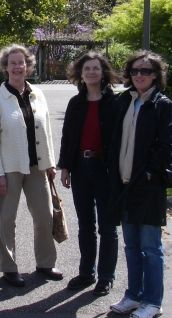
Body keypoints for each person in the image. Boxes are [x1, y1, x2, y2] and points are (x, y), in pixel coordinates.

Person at [0, 44, 62, 288]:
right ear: (5, 68)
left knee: (44, 216)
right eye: (13, 63)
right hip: (10, 169)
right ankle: (9, 267)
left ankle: (45, 263)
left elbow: (47, 131)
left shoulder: (37, 94)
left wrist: (50, 163)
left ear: (28, 66)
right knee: (7, 219)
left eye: (22, 62)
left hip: (37, 167)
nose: (18, 67)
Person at [107, 51, 172, 318]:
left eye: (146, 71)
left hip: (147, 186)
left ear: (156, 75)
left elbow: (168, 144)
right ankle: (133, 296)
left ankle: (152, 301)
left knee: (151, 248)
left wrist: (150, 172)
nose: (139, 75)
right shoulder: (123, 101)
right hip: (124, 185)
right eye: (135, 70)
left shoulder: (162, 105)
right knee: (132, 246)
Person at [58, 51, 119, 296]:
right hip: (80, 168)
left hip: (105, 168)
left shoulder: (115, 103)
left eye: (96, 68)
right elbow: (67, 137)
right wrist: (65, 167)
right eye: (87, 69)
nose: (91, 72)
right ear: (80, 75)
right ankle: (86, 272)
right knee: (86, 224)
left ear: (103, 72)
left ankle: (105, 276)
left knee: (107, 226)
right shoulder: (76, 103)